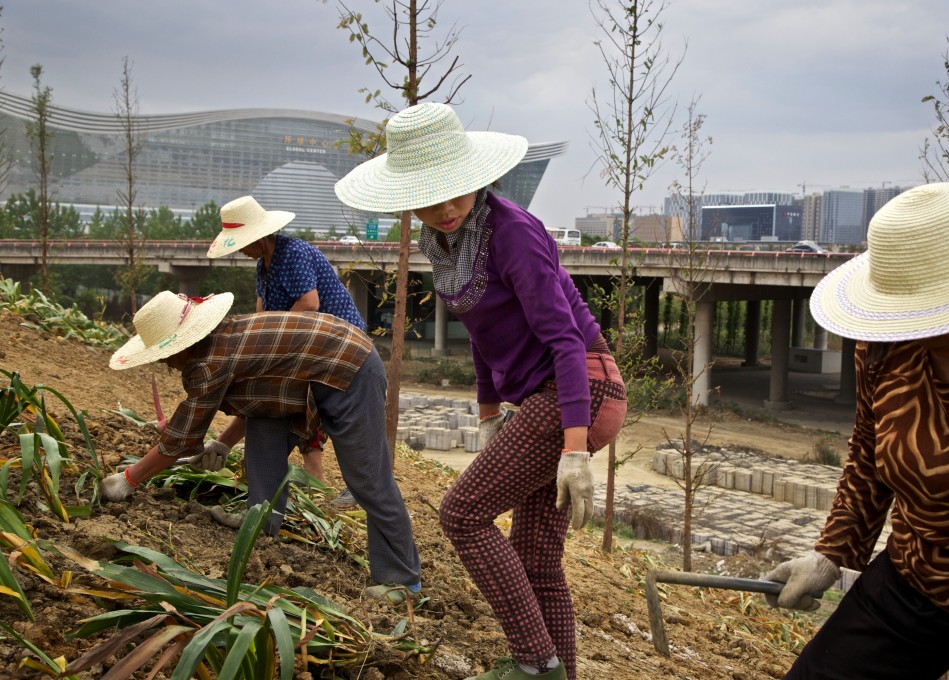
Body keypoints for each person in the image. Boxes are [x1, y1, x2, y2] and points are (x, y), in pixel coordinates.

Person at [335, 102, 628, 680]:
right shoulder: (444, 245)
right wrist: (490, 411)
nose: (444, 208)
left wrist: (573, 448)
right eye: (428, 195)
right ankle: (558, 673)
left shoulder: (511, 233)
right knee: (537, 564)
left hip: (579, 389)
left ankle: (534, 662)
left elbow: (567, 342)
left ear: (474, 178)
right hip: (551, 397)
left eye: (454, 192)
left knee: (462, 514)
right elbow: (482, 332)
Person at [764, 182, 949, 679]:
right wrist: (832, 554)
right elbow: (867, 454)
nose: (917, 328)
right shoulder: (888, 349)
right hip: (916, 579)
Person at [99, 290, 421, 602]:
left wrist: (127, 480)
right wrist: (223, 444)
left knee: (368, 477)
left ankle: (401, 578)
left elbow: (181, 439)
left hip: (349, 367)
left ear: (184, 344)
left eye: (166, 355)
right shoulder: (224, 340)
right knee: (264, 429)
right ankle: (261, 520)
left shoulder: (210, 362)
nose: (168, 364)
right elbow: (259, 396)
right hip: (310, 369)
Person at [207, 195, 364, 506]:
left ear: (260, 235)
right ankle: (310, 489)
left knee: (329, 413)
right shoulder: (263, 267)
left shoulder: (293, 254)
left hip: (338, 347)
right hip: (305, 348)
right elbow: (262, 316)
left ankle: (354, 491)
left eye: (242, 242)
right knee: (276, 401)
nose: (240, 249)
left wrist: (271, 350)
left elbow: (309, 303)